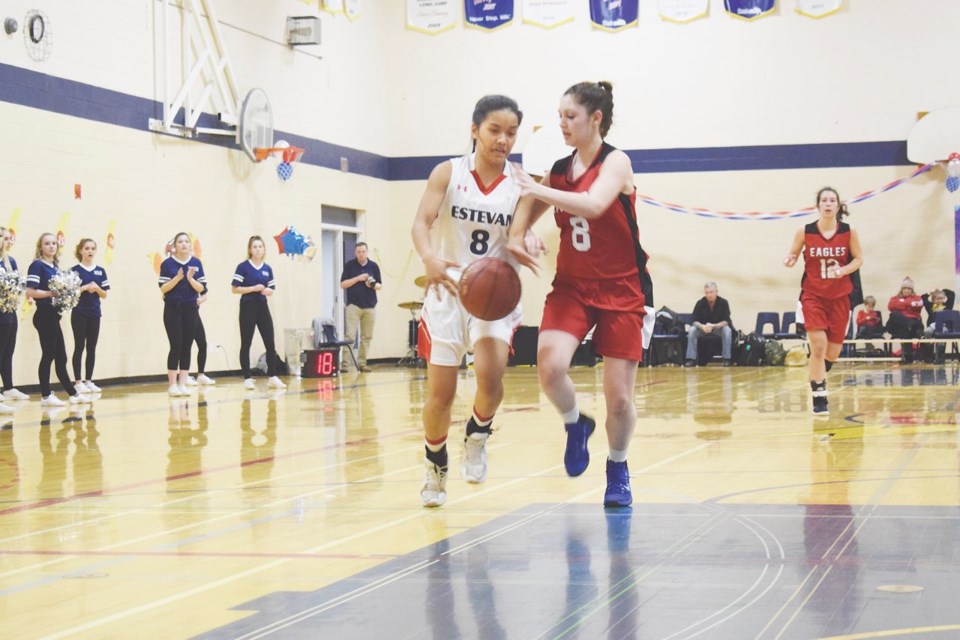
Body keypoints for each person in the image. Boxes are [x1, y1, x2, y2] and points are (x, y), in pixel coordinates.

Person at [509, 81, 653, 508]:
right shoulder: (557, 170)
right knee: (549, 368)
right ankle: (576, 424)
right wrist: (522, 236)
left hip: (623, 288)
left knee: (620, 397)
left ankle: (618, 466)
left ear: (596, 119)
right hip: (573, 286)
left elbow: (591, 204)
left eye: (570, 116)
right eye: (559, 116)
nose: (562, 124)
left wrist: (538, 190)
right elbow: (521, 220)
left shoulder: (617, 162)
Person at [411, 94, 537, 508]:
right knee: (440, 397)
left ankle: (478, 434)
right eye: (495, 130)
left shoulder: (522, 184)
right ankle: (435, 463)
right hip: (449, 289)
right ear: (474, 130)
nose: (503, 140)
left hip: (494, 294)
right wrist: (429, 257)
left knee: (491, 376)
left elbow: (520, 234)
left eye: (511, 133)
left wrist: (529, 242)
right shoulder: (448, 172)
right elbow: (421, 223)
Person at [783, 187, 863, 415]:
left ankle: (816, 371)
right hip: (813, 295)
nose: (828, 204)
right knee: (818, 345)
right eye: (824, 200)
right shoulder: (805, 231)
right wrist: (789, 259)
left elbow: (859, 259)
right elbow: (793, 255)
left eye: (832, 200)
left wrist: (844, 269)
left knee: (832, 353)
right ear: (818, 206)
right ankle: (819, 397)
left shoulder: (849, 231)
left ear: (838, 206)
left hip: (839, 297)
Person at [25, 233, 91, 407]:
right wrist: (49, 294)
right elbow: (30, 291)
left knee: (61, 357)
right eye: (47, 243)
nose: (51, 246)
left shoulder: (54, 267)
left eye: (54, 243)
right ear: (41, 247)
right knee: (48, 355)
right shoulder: (37, 265)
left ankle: (73, 394)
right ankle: (46, 396)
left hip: (53, 316)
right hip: (44, 315)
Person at [232, 235, 285, 390]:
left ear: (264, 249)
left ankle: (272, 377)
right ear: (250, 249)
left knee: (270, 342)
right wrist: (252, 289)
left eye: (260, 246)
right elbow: (234, 288)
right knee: (246, 343)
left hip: (262, 307)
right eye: (254, 247)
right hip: (247, 307)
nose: (257, 249)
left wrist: (269, 291)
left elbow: (272, 288)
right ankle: (247, 378)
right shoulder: (243, 267)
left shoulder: (267, 269)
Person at [158, 232, 206, 396]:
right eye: (180, 242)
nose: (184, 244)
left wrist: (190, 279)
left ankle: (183, 383)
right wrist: (178, 278)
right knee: (176, 344)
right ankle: (172, 384)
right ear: (175, 246)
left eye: (186, 241)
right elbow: (163, 289)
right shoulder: (168, 264)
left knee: (187, 345)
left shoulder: (196, 263)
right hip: (173, 308)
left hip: (191, 308)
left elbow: (201, 289)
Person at [70, 239, 110, 394]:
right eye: (87, 248)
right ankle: (78, 381)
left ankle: (89, 381)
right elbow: (70, 293)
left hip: (95, 313)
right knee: (79, 346)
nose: (90, 251)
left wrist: (98, 289)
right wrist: (85, 287)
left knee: (91, 347)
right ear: (81, 250)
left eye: (93, 248)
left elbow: (105, 294)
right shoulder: (74, 270)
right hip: (79, 313)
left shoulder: (100, 271)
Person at [338, 242, 382, 373]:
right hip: (354, 305)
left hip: (370, 306)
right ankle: (345, 363)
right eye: (359, 252)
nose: (361, 254)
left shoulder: (374, 266)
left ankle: (362, 363)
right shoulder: (350, 266)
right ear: (355, 253)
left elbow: (380, 285)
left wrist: (372, 285)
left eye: (363, 251)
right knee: (350, 336)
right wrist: (358, 278)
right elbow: (343, 284)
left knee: (367, 336)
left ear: (367, 252)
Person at [0, 227, 27, 412]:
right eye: (3, 237)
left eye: (8, 238)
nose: (7, 241)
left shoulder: (10, 261)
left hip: (9, 310)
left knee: (8, 350)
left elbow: (17, 284)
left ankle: (8, 388)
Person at [684, 281, 734, 367]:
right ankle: (691, 359)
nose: (709, 295)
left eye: (711, 292)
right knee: (692, 330)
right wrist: (702, 327)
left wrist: (713, 326)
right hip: (703, 329)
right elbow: (694, 321)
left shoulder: (723, 302)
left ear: (716, 292)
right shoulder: (700, 303)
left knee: (727, 330)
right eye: (707, 293)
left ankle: (727, 359)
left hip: (717, 328)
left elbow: (726, 321)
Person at [886, 277, 924, 362]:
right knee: (894, 315)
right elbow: (891, 306)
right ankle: (910, 325)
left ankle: (907, 355)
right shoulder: (894, 298)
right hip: (899, 324)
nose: (907, 290)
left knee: (904, 329)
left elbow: (918, 305)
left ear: (912, 290)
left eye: (909, 289)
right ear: (901, 289)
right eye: (905, 288)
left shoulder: (917, 298)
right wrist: (909, 305)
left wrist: (901, 304)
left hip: (911, 324)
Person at [184, 297, 216, 387]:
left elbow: (205, 293)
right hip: (183, 315)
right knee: (186, 346)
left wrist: (201, 300)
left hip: (195, 314)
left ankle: (201, 374)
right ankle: (185, 375)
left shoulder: (196, 283)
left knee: (203, 345)